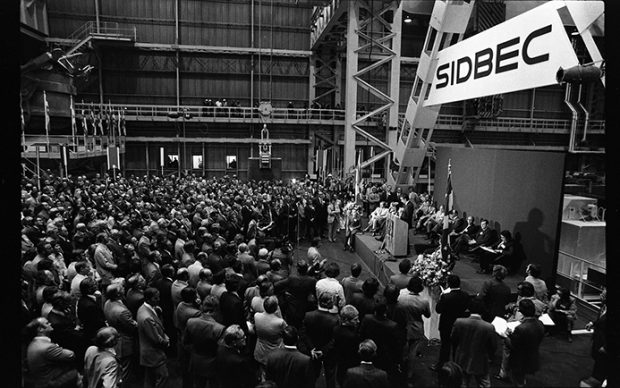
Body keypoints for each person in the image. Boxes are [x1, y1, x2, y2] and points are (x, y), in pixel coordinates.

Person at [450, 298, 496, 388]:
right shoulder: (489, 327)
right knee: (484, 384)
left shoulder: (459, 322)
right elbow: (493, 346)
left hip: (462, 358)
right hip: (481, 361)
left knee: (462, 383)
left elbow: (453, 339)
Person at [24, 317, 80, 388]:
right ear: (40, 329)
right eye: (47, 323)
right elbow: (71, 355)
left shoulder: (32, 344)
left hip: (40, 380)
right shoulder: (47, 347)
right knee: (76, 372)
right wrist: (58, 347)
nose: (50, 323)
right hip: (50, 383)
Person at [501, 299, 545, 387]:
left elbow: (513, 345)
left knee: (517, 380)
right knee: (521, 378)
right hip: (532, 356)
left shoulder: (520, 328)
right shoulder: (540, 323)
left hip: (520, 359)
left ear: (521, 311)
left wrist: (505, 336)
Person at [183, 295, 226, 388]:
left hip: (196, 361)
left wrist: (195, 352)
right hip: (213, 363)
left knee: (198, 384)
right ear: (216, 309)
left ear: (202, 306)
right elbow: (221, 351)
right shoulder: (219, 328)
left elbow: (185, 343)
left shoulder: (190, 322)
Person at [431, 274, 470, 371]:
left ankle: (442, 365)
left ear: (448, 284)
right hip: (459, 324)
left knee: (445, 346)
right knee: (457, 346)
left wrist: (439, 299)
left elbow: (438, 310)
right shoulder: (466, 295)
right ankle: (456, 366)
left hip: (446, 325)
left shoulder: (445, 297)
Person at [359, 300, 403, 386]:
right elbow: (396, 345)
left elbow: (361, 334)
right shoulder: (392, 325)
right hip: (385, 355)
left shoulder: (367, 318)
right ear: (385, 311)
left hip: (369, 350)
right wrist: (398, 361)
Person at [396, 276, 431, 383]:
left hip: (402, 326)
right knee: (412, 352)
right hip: (416, 328)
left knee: (401, 349)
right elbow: (428, 315)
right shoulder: (423, 301)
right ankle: (409, 374)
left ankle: (399, 369)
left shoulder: (401, 295)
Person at [303, 293, 340, 388]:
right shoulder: (335, 320)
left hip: (312, 351)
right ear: (328, 303)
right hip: (328, 352)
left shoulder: (308, 315)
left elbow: (304, 333)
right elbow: (334, 339)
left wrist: (311, 348)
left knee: (311, 376)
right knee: (330, 376)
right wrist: (323, 350)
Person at [103, 283, 137, 385]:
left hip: (115, 337)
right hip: (124, 342)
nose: (123, 288)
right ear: (118, 294)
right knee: (125, 371)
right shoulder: (121, 311)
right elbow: (133, 326)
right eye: (121, 288)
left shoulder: (108, 302)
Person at [137, 287, 170, 388]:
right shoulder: (147, 317)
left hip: (147, 352)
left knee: (150, 379)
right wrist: (166, 341)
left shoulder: (144, 308)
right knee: (163, 377)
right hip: (153, 353)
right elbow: (156, 339)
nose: (158, 300)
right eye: (155, 298)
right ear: (148, 299)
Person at [254, 296, 287, 376]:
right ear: (276, 308)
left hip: (260, 350)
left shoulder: (257, 316)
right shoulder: (279, 322)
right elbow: (286, 331)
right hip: (275, 351)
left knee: (264, 373)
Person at [584, 288, 608, 387]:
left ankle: (599, 379)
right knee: (598, 359)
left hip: (605, 343)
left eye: (603, 294)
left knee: (603, 362)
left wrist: (607, 347)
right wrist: (593, 323)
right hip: (598, 338)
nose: (600, 295)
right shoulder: (604, 306)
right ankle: (596, 377)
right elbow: (601, 319)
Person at [333, 305, 361, 387]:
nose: (358, 321)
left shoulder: (335, 329)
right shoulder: (353, 336)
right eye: (355, 319)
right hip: (351, 366)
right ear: (346, 320)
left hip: (339, 364)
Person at [77, 278, 106, 344]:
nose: (97, 286)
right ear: (89, 289)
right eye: (95, 285)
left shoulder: (82, 299)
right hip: (94, 333)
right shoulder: (90, 306)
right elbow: (97, 322)